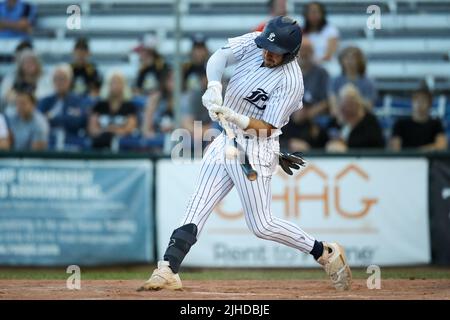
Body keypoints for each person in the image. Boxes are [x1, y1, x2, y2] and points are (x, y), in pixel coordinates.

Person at [138, 16, 351, 292]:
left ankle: (324, 251)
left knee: (261, 225)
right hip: (225, 138)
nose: (268, 53)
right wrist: (214, 85)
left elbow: (268, 127)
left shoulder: (291, 81)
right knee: (197, 203)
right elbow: (219, 56)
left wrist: (236, 117)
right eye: (267, 47)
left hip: (256, 146)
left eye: (275, 52)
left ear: (291, 54)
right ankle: (167, 269)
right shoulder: (258, 41)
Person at [326, 84, 384, 152]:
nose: (347, 108)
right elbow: (325, 141)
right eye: (344, 104)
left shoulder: (370, 121)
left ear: (358, 103)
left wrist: (345, 147)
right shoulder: (334, 121)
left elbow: (375, 145)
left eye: (350, 103)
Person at [88, 71, 137, 149]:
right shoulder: (99, 105)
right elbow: (92, 129)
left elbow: (130, 128)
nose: (116, 85)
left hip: (122, 145)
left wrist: (114, 130)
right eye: (113, 82)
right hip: (100, 143)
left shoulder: (129, 106)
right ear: (107, 85)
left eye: (119, 82)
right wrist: (106, 131)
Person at [38, 64, 87, 140]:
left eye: (63, 79)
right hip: (48, 140)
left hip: (72, 139)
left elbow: (77, 122)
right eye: (56, 79)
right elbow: (39, 121)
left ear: (70, 81)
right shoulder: (45, 101)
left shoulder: (79, 100)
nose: (59, 82)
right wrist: (67, 117)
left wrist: (51, 117)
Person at [0, 49, 52, 114]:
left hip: (38, 112)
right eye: (26, 62)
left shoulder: (45, 78)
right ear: (21, 65)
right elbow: (5, 96)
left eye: (32, 62)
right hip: (13, 113)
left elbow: (46, 97)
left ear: (38, 64)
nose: (29, 65)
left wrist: (23, 99)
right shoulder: (11, 78)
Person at [330, 46, 377, 111]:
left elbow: (369, 107)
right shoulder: (335, 80)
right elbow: (333, 108)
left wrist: (353, 97)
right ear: (341, 61)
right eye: (346, 58)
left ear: (359, 61)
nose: (349, 61)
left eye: (353, 58)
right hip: (341, 117)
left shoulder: (368, 82)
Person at [141, 70, 176, 137]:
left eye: (175, 79)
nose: (172, 83)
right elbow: (146, 125)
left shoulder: (184, 99)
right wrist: (150, 135)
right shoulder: (155, 98)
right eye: (170, 79)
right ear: (165, 80)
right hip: (157, 137)